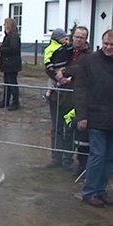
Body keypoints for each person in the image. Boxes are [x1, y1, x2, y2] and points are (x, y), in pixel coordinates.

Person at [73, 29, 113, 208]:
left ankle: (100, 190)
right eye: (106, 44)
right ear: (101, 42)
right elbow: (80, 89)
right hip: (95, 116)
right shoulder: (90, 61)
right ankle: (90, 192)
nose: (108, 47)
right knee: (97, 155)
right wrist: (81, 115)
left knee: (109, 157)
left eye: (112, 45)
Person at [45, 26, 91, 170]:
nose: (78, 40)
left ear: (86, 39)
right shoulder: (64, 50)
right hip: (57, 95)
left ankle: (67, 160)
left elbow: (81, 69)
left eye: (81, 37)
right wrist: (57, 76)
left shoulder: (89, 55)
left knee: (70, 129)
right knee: (56, 128)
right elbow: (49, 64)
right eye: (76, 36)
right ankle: (56, 158)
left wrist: (64, 73)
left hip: (73, 97)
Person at [0, 18, 22, 111]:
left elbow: (13, 49)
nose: (3, 26)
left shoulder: (13, 36)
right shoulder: (8, 36)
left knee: (12, 83)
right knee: (7, 83)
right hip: (7, 63)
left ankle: (15, 102)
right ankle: (6, 100)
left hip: (12, 64)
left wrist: (1, 49)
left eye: (5, 24)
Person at [44, 28, 72, 99]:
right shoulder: (51, 48)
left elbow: (69, 51)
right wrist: (49, 64)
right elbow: (47, 57)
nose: (65, 40)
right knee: (52, 79)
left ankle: (57, 87)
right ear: (58, 38)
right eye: (63, 38)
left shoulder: (64, 46)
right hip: (55, 66)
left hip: (64, 65)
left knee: (62, 77)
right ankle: (48, 92)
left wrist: (68, 44)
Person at [63, 108, 89, 178]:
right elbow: (68, 117)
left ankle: (84, 170)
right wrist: (71, 124)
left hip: (89, 136)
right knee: (81, 155)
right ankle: (81, 169)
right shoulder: (78, 110)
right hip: (80, 136)